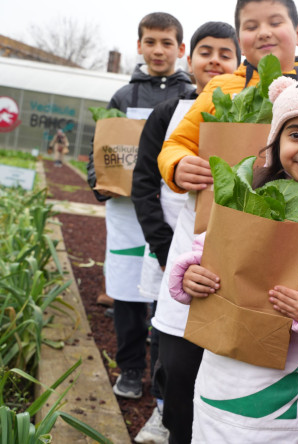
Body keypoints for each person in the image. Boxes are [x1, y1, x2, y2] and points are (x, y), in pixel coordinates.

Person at [168, 74, 298, 442]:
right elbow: (209, 249)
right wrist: (189, 275)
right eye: (296, 134)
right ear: (276, 139)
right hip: (227, 365)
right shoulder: (249, 190)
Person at [152, 2, 298, 442]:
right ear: (240, 36)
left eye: (275, 22)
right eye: (250, 26)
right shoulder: (222, 88)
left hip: (272, 274)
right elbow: (175, 146)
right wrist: (179, 166)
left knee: (244, 400)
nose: (263, 33)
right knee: (181, 378)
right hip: (202, 259)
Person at [130, 22, 241, 444]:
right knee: (167, 336)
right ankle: (163, 411)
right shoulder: (169, 114)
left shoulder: (250, 108)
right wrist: (162, 246)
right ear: (189, 58)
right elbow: (144, 182)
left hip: (216, 254)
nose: (215, 60)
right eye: (205, 52)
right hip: (168, 246)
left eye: (225, 54)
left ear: (238, 64)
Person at [85, 11, 194, 406]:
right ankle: (131, 368)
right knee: (128, 293)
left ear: (181, 50)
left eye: (167, 43)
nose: (158, 50)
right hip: (127, 216)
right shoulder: (122, 97)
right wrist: (100, 183)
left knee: (169, 296)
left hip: (170, 214)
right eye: (150, 42)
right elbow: (99, 153)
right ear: (139, 46)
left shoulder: (190, 97)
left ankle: (163, 382)